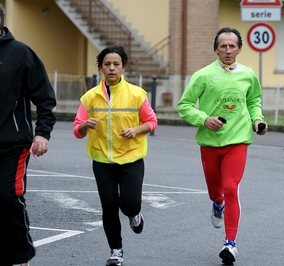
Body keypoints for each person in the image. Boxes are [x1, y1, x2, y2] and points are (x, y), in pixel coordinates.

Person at [177, 27, 267, 265]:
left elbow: (253, 101)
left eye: (232, 46)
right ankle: (217, 205)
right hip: (209, 142)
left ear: (239, 48)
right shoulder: (203, 75)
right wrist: (204, 119)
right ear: (216, 48)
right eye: (223, 46)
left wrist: (258, 120)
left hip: (237, 141)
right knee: (216, 192)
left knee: (230, 187)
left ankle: (230, 243)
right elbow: (184, 105)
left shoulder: (248, 74)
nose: (228, 50)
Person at [73, 45, 157, 266]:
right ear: (101, 68)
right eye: (107, 64)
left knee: (129, 204)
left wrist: (136, 130)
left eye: (116, 64)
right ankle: (116, 251)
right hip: (102, 161)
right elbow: (77, 130)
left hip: (131, 158)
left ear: (123, 67)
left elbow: (151, 122)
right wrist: (84, 126)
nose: (111, 68)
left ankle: (134, 215)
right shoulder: (89, 98)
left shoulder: (136, 94)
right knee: (109, 207)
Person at [0, 4, 57, 266]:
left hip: (13, 142)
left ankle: (21, 256)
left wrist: (42, 134)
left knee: (9, 196)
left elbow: (44, 98)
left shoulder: (20, 53)